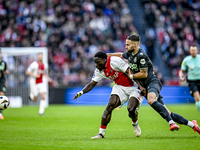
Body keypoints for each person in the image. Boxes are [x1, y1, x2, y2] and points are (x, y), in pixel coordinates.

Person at [107, 33, 200, 134]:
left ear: (135, 45)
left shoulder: (141, 55)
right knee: (168, 112)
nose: (126, 46)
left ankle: (171, 123)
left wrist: (131, 76)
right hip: (145, 87)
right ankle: (192, 124)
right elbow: (120, 55)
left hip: (152, 82)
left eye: (128, 45)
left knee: (151, 100)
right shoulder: (130, 53)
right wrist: (107, 55)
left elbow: (144, 74)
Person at [74, 51, 144, 139]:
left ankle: (135, 123)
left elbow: (130, 71)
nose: (96, 65)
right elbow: (92, 84)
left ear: (104, 60)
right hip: (120, 87)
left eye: (98, 62)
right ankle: (101, 133)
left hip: (134, 86)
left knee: (131, 109)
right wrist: (81, 92)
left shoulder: (115, 61)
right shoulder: (99, 70)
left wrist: (141, 86)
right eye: (95, 63)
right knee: (110, 106)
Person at [179, 45, 200, 114]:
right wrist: (181, 77)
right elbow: (181, 71)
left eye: (194, 50)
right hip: (192, 82)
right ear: (190, 51)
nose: (193, 52)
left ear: (197, 51)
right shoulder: (186, 60)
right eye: (192, 50)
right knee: (197, 98)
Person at [0, 49, 9, 119]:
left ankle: (0, 113)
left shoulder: (3, 63)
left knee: (2, 95)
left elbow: (5, 70)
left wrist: (6, 72)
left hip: (1, 81)